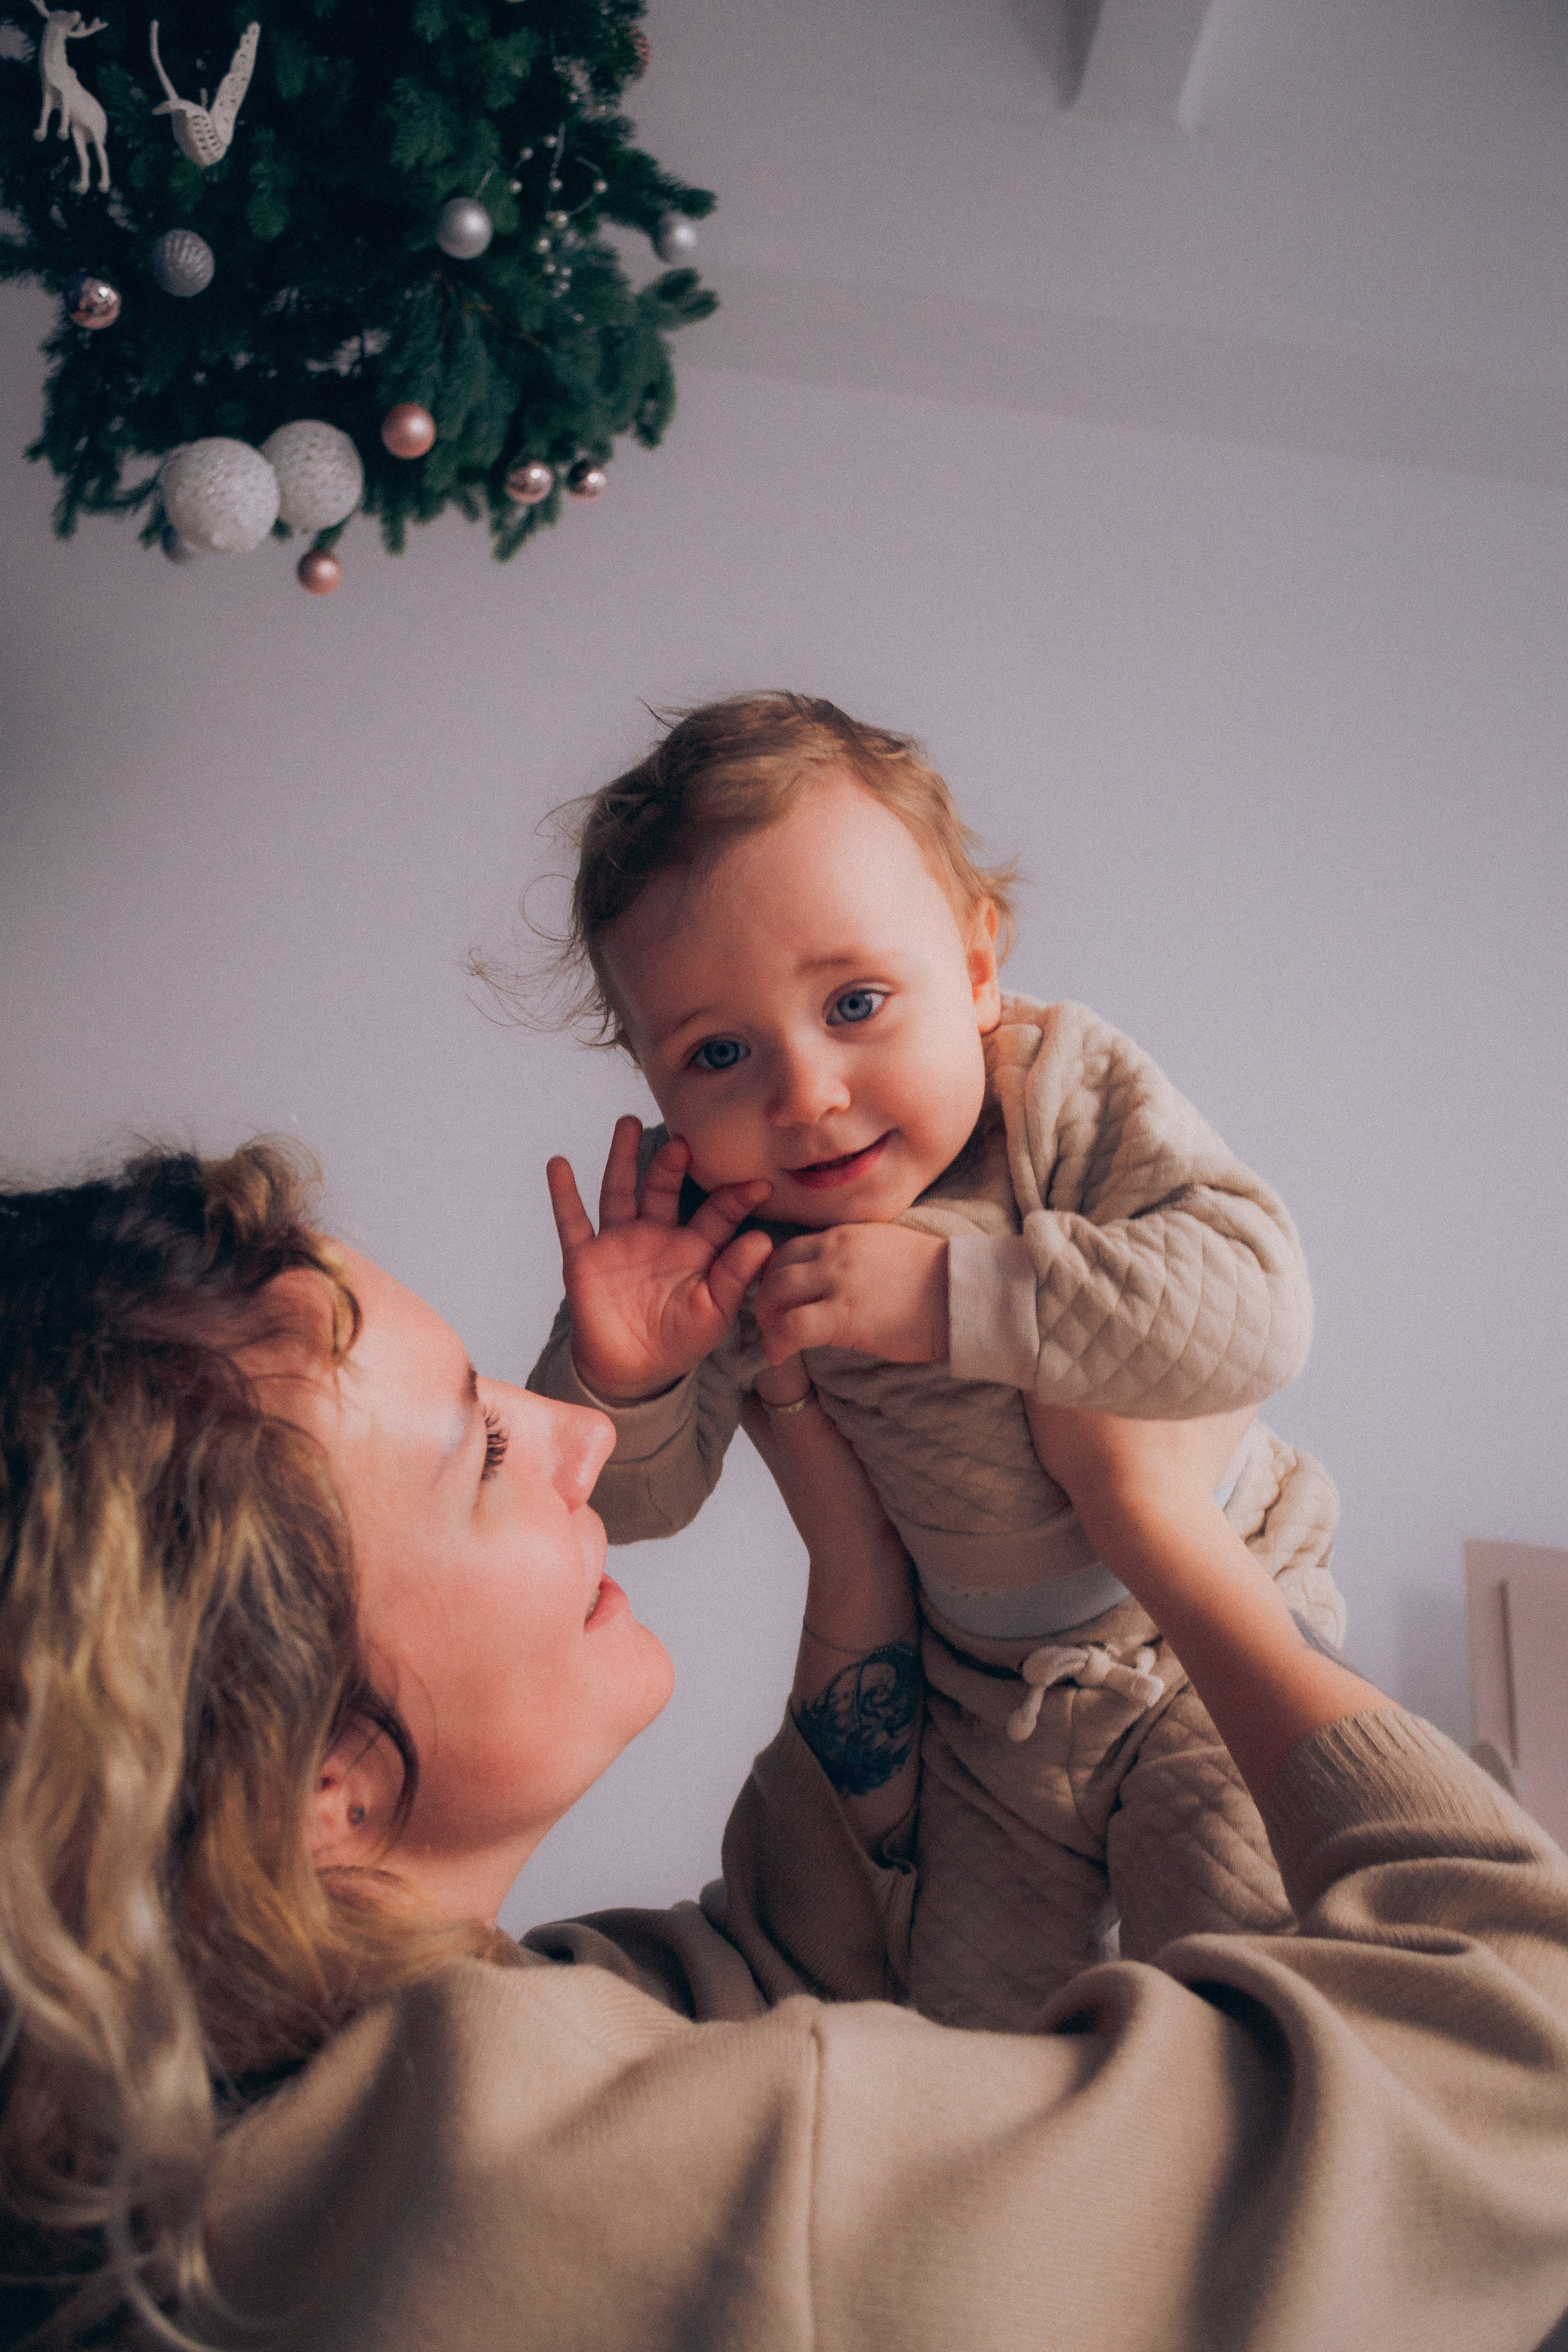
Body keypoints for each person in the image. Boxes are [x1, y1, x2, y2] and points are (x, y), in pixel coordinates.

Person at [4, 1140, 1568, 2352]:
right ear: (314, 1774)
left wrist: (856, 1566)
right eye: (482, 1447)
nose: (582, 1433)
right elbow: (1522, 2080)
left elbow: (786, 1977)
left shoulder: (172, 2156)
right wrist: (1159, 1528)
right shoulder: (562, 2179)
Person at [527, 690, 1344, 2025]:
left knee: (1241, 1994)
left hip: (1200, 1636)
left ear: (975, 970)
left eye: (855, 1002)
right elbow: (630, 1505)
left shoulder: (1052, 1093)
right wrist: (629, 1376)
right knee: (973, 2042)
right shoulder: (726, 1231)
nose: (806, 1095)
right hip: (979, 1716)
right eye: (719, 1052)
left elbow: (1259, 1308)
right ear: (654, 1083)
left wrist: (953, 1295)